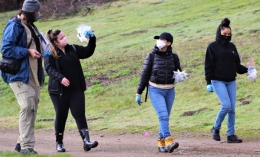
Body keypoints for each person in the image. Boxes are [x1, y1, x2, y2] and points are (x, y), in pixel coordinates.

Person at [44, 29, 98, 152]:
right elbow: (49, 69)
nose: (65, 39)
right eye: (61, 38)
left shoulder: (72, 49)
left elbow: (87, 52)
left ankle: (86, 141)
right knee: (61, 115)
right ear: (55, 42)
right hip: (59, 91)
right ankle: (59, 142)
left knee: (79, 113)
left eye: (64, 36)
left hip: (76, 88)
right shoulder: (49, 54)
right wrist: (60, 78)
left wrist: (92, 39)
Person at [0, 0, 44, 155]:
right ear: (30, 12)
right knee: (27, 105)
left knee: (32, 107)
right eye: (37, 12)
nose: (39, 14)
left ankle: (20, 143)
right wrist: (27, 52)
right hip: (18, 73)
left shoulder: (31, 25)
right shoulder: (14, 26)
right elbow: (6, 49)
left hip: (32, 73)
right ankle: (26, 146)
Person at [204, 18, 255, 143]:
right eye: (224, 34)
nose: (227, 36)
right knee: (226, 105)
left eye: (229, 34)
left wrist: (248, 70)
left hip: (231, 81)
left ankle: (230, 135)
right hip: (217, 80)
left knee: (232, 108)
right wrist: (208, 83)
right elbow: (208, 65)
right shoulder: (212, 47)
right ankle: (215, 128)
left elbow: (237, 66)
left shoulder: (232, 46)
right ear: (219, 33)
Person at [135, 32, 181, 153]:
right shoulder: (151, 56)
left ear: (169, 43)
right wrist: (139, 92)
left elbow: (178, 71)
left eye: (163, 39)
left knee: (164, 118)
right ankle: (169, 141)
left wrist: (180, 75)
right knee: (163, 116)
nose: (160, 41)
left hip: (170, 90)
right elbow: (145, 75)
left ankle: (161, 143)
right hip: (155, 89)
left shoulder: (174, 57)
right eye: (159, 39)